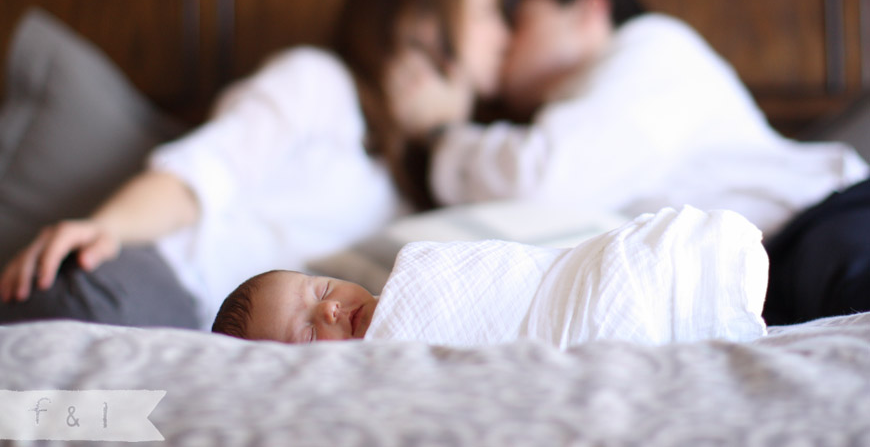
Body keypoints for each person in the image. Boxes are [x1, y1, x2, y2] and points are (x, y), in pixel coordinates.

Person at [0, 0, 509, 329]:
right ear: (416, 22)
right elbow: (205, 171)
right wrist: (106, 227)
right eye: (487, 11)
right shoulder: (319, 83)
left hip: (219, 338)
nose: (503, 35)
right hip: (153, 283)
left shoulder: (424, 183)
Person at [429, 0, 870, 326]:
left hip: (825, 219)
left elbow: (542, 178)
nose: (506, 40)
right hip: (763, 275)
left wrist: (440, 138)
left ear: (590, 9)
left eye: (520, 21)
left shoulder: (653, 44)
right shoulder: (562, 118)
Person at [213, 205, 770, 347]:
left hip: (591, 278)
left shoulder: (416, 275)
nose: (330, 310)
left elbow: (529, 275)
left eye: (321, 291)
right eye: (309, 333)